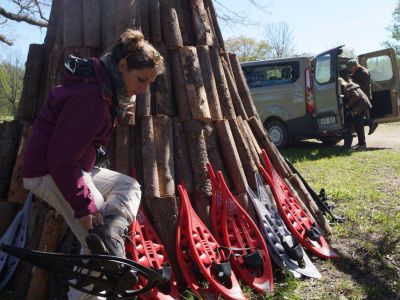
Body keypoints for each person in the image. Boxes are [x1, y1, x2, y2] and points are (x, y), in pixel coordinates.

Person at [21, 29, 164, 299]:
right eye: (141, 79)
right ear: (123, 66)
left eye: (149, 83)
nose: (144, 89)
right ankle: (104, 246)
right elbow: (60, 159)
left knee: (128, 187)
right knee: (95, 244)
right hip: (49, 171)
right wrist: (83, 204)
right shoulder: (93, 98)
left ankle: (111, 235)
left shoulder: (106, 89)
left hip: (74, 166)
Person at [338, 77, 372, 150]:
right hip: (363, 105)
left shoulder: (348, 88)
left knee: (359, 125)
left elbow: (356, 96)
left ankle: (362, 144)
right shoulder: (350, 86)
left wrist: (348, 105)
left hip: (361, 106)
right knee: (358, 124)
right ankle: (361, 143)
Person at [347, 59, 378, 136]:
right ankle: (361, 143)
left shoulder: (364, 73)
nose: (350, 70)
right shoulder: (357, 71)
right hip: (359, 98)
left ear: (355, 66)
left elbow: (360, 87)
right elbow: (354, 76)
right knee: (358, 120)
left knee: (358, 120)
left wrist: (350, 81)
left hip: (363, 99)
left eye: (351, 68)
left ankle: (371, 122)